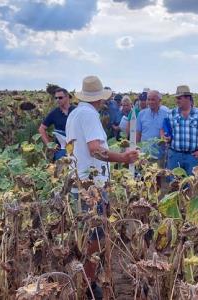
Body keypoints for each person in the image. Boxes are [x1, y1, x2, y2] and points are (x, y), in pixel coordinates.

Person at [65, 75, 138, 298]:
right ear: (99, 99)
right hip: (92, 187)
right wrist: (123, 158)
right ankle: (87, 286)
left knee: (86, 236)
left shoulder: (75, 113)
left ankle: (83, 282)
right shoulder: (89, 115)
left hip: (80, 183)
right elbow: (95, 149)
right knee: (95, 239)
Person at [161, 85, 198, 175]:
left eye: (179, 98)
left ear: (188, 98)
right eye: (176, 98)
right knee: (174, 183)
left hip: (192, 156)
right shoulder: (171, 113)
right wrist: (164, 136)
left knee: (192, 183)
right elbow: (163, 129)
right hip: (175, 154)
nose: (177, 100)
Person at [38, 87, 76, 161]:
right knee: (60, 171)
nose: (58, 100)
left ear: (67, 97)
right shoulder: (54, 113)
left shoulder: (76, 110)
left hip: (76, 149)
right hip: (61, 150)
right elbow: (41, 129)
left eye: (60, 97)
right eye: (56, 98)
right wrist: (49, 145)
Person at [136, 90, 169, 163]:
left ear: (159, 100)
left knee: (159, 173)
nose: (150, 102)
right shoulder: (141, 114)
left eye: (153, 99)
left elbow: (168, 133)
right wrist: (137, 148)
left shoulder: (166, 114)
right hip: (144, 153)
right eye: (149, 99)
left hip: (160, 154)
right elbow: (138, 133)